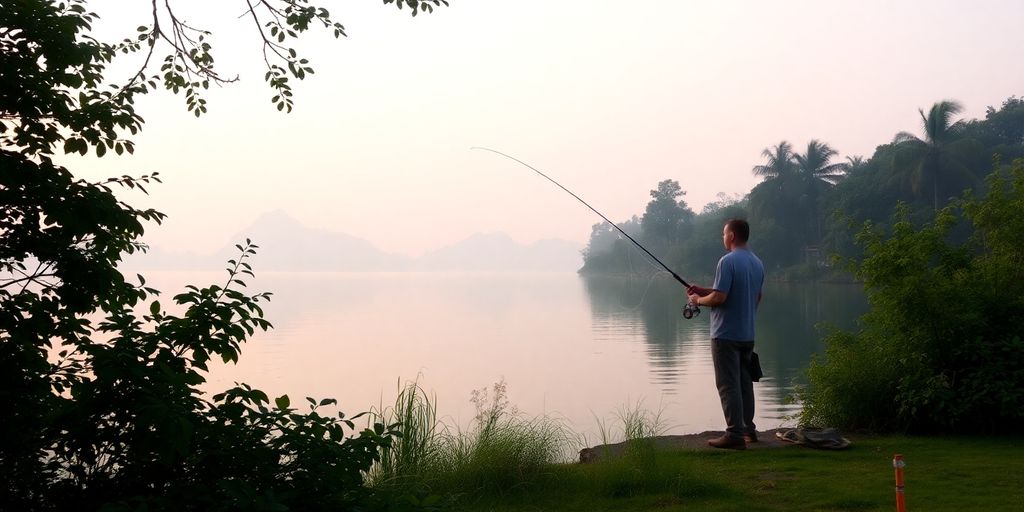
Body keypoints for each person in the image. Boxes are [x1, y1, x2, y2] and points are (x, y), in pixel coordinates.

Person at [687, 218, 764, 450]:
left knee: (728, 385)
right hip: (747, 334)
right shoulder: (757, 262)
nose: (723, 237)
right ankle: (748, 430)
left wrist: (697, 299)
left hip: (725, 335)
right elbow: (752, 296)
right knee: (744, 384)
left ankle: (734, 435)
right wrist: (704, 290)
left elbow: (720, 298)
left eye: (724, 234)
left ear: (731, 236)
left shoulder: (727, 261)